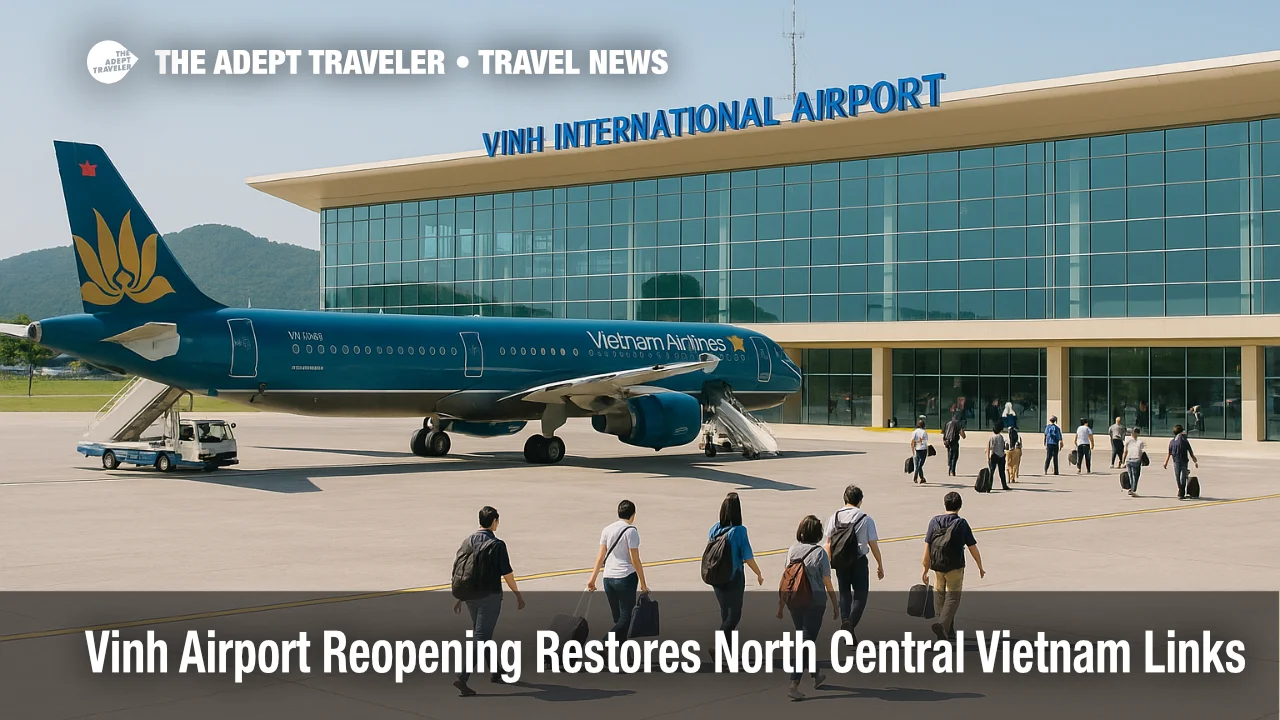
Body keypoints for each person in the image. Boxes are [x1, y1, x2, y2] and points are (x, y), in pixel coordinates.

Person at [452, 506, 525, 697]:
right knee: (481, 637)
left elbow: (462, 569)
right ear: (494, 522)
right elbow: (507, 573)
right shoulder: (497, 544)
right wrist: (517, 593)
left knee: (483, 634)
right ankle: (462, 677)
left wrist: (461, 596)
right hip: (489, 597)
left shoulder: (467, 541)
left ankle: (497, 671)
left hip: (470, 597)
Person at [779, 515, 839, 701]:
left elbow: (787, 577)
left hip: (794, 600)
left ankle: (816, 675)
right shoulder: (820, 553)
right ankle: (794, 683)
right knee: (806, 642)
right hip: (814, 602)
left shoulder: (792, 550)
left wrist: (781, 604)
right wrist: (835, 604)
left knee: (805, 638)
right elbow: (827, 581)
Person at [922, 492, 985, 641]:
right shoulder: (961, 524)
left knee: (940, 597)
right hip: (955, 567)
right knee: (952, 598)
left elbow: (927, 547)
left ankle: (948, 630)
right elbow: (972, 547)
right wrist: (980, 566)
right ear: (960, 506)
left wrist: (925, 569)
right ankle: (943, 626)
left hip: (937, 567)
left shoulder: (934, 522)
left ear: (945, 504)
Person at [823, 485, 884, 639]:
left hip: (840, 561)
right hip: (859, 561)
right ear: (860, 501)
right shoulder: (865, 518)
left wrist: (828, 564)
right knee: (860, 596)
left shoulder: (834, 517)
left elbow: (828, 543)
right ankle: (849, 625)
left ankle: (845, 622)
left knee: (844, 594)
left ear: (845, 499)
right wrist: (880, 564)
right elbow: (872, 544)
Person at [586, 500, 650, 642]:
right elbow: (635, 560)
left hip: (608, 578)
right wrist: (643, 584)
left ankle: (624, 655)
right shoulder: (631, 531)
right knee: (626, 619)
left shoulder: (607, 529)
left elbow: (600, 556)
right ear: (633, 515)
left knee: (619, 619)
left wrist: (592, 579)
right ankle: (603, 644)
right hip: (625, 578)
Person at [707, 492, 765, 634]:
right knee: (734, 617)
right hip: (734, 578)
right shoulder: (739, 531)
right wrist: (758, 573)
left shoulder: (714, 529)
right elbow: (748, 557)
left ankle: (728, 652)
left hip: (717, 575)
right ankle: (718, 646)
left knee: (725, 614)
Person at [1162, 424, 1200, 500]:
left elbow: (1169, 453)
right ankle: (1181, 491)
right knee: (1181, 477)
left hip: (1177, 461)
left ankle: (1181, 492)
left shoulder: (1173, 441)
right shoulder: (1183, 440)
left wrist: (1165, 462)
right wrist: (1194, 460)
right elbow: (1190, 451)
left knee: (1179, 477)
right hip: (1181, 461)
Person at [1120, 426, 1145, 497]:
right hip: (1136, 460)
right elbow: (1141, 452)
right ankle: (1132, 490)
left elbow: (1125, 451)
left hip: (1129, 460)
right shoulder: (1140, 442)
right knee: (1135, 476)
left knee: (1131, 476)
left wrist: (1123, 461)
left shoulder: (1128, 440)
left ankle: (1131, 489)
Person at [985, 422, 1009, 491]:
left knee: (991, 472)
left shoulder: (991, 437)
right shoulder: (1001, 437)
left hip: (994, 455)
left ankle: (989, 487)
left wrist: (988, 457)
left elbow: (989, 447)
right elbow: (1003, 446)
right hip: (1001, 456)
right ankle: (1004, 485)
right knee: (1002, 472)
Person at [910, 418, 929, 484]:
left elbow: (912, 442)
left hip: (917, 449)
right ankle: (916, 477)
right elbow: (926, 442)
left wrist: (913, 450)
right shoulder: (924, 432)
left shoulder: (914, 432)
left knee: (918, 464)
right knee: (920, 465)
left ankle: (922, 478)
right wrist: (928, 451)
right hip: (923, 449)